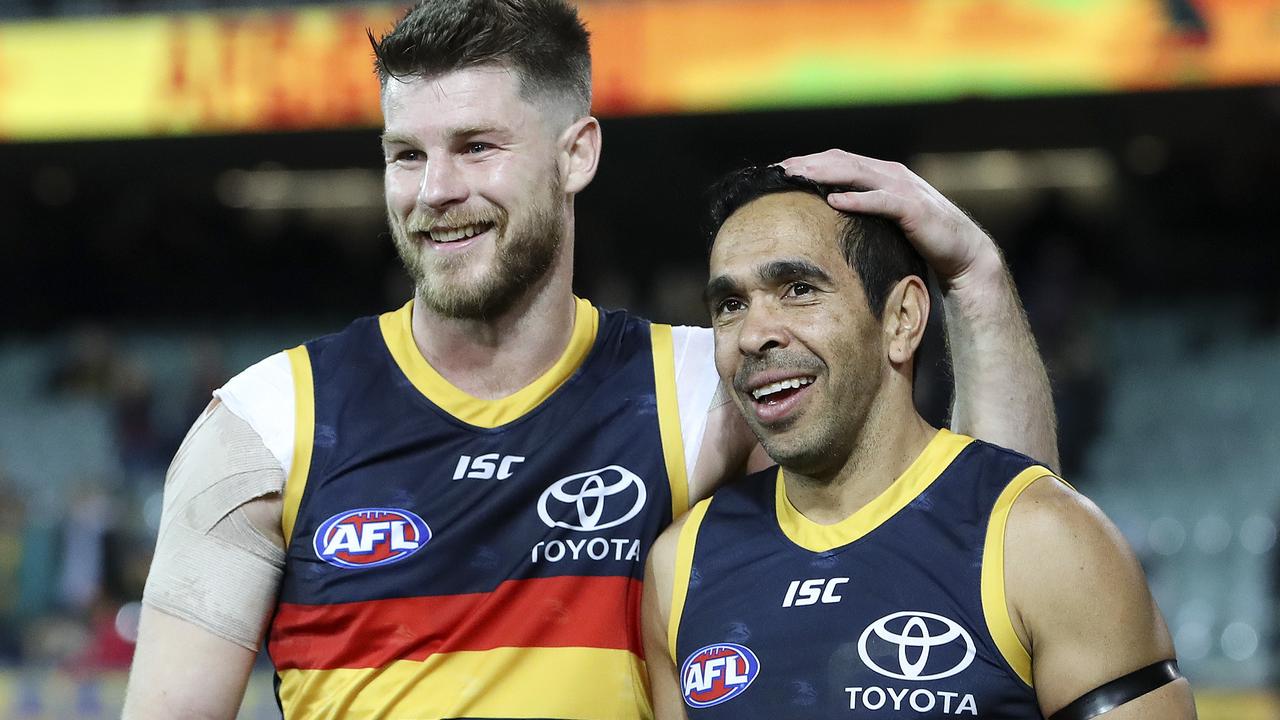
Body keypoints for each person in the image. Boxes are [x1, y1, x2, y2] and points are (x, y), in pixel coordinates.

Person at [122, 1, 1059, 718]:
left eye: (477, 147)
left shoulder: (704, 389)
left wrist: (973, 276)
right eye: (405, 155)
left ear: (577, 155)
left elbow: (992, 547)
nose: (435, 191)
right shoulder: (265, 427)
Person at [642, 166, 1194, 719]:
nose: (755, 332)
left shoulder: (1048, 541)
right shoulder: (681, 565)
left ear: (902, 319)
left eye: (799, 289)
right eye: (730, 305)